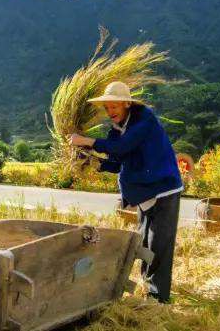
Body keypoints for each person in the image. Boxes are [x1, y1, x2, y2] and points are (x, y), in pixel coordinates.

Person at [69, 81, 182, 304]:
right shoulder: (116, 130)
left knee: (159, 243)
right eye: (107, 108)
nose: (110, 112)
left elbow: (122, 147)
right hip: (143, 193)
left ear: (127, 104)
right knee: (143, 242)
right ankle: (147, 286)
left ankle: (158, 298)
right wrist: (92, 162)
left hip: (163, 189)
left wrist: (85, 140)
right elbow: (116, 159)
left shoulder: (144, 120)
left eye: (114, 107)